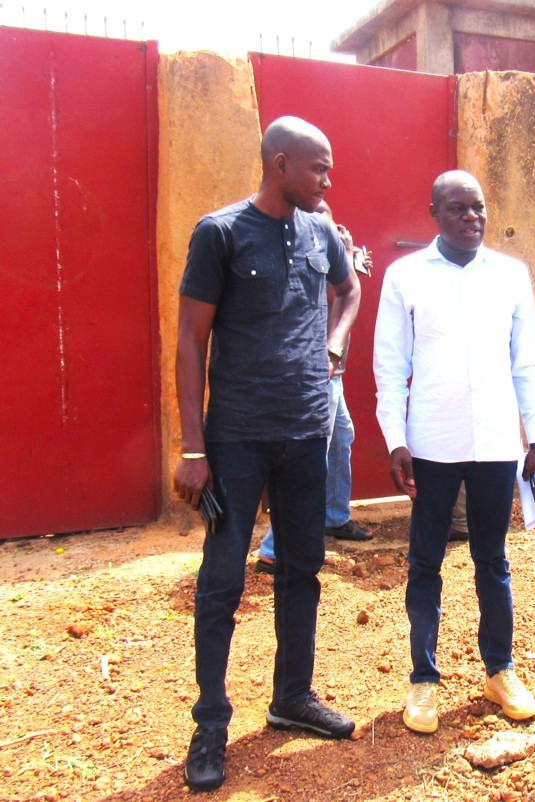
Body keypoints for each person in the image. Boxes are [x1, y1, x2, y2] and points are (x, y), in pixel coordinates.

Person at [173, 116, 361, 792]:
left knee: (302, 569)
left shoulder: (321, 231)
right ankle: (210, 723)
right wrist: (193, 447)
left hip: (307, 433)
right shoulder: (219, 233)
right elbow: (190, 341)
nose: (327, 180)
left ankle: (292, 697)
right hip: (237, 439)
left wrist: (335, 339)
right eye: (318, 167)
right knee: (223, 579)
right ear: (280, 164)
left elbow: (349, 289)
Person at [373, 170, 535, 734]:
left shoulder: (510, 275)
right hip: (432, 441)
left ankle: (499, 670)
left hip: (496, 440)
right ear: (434, 213)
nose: (472, 218)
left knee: (492, 559)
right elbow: (390, 365)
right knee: (425, 561)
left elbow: (527, 360)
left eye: (478, 208)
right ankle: (423, 679)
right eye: (458, 209)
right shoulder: (406, 277)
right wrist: (396, 439)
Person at [255, 202, 372, 575]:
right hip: (315, 376)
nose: (323, 225)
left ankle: (334, 516)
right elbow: (333, 303)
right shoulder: (300, 258)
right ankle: (274, 548)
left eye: (328, 218)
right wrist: (345, 262)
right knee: (309, 458)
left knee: (341, 441)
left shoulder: (328, 255)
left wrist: (348, 260)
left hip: (333, 375)